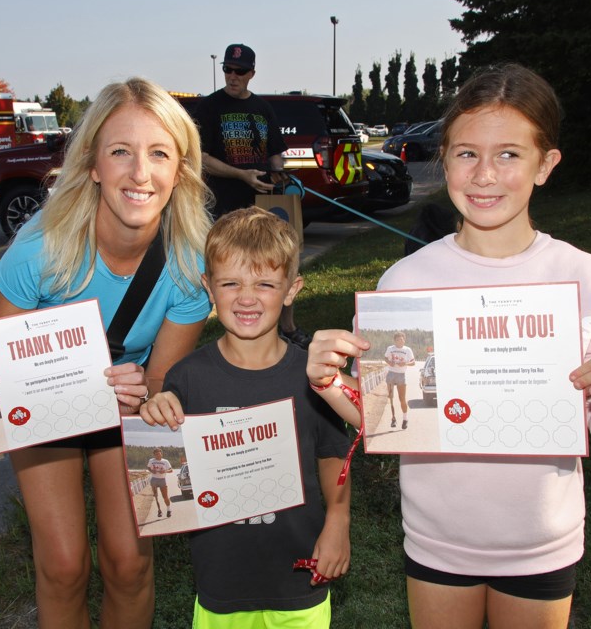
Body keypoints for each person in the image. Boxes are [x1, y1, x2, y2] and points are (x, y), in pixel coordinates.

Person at [305, 64, 591, 629]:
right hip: (437, 540)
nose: (485, 174)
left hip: (541, 544)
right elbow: (390, 422)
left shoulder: (588, 280)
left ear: (546, 165)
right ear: (443, 160)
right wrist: (328, 380)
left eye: (510, 155)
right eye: (467, 154)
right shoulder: (405, 283)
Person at [0, 77, 213, 629]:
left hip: (127, 404)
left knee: (128, 564)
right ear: (93, 164)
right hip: (47, 406)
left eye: (159, 154)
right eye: (120, 151)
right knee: (64, 565)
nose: (140, 173)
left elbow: (163, 380)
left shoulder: (191, 261)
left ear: (180, 170)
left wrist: (146, 390)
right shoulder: (41, 248)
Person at [139, 207, 352, 628]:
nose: (247, 297)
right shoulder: (186, 378)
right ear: (208, 287)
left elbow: (333, 455)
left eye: (266, 284)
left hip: (299, 578)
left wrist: (338, 523)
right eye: (231, 283)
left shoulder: (313, 376)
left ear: (292, 290)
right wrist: (153, 413)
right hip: (221, 582)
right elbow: (161, 450)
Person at [193, 43, 309, 348]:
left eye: (240, 71)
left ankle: (288, 327)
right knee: (228, 271)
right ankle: (228, 333)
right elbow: (199, 157)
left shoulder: (262, 109)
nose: (232, 76)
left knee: (276, 263)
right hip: (223, 205)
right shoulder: (208, 107)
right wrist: (241, 174)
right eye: (228, 70)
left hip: (264, 204)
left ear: (252, 73)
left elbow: (274, 154)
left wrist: (278, 172)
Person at [384, 332, 415, 429]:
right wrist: (389, 362)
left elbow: (413, 362)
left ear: (404, 340)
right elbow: (385, 357)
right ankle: (393, 419)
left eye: (402, 339)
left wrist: (405, 363)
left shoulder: (407, 350)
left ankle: (405, 419)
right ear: (395, 341)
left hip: (401, 375)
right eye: (398, 340)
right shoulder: (390, 348)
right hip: (391, 374)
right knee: (391, 398)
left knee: (402, 399)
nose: (400, 341)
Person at [146, 448, 173, 518]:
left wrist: (165, 471)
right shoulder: (151, 460)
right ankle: (159, 511)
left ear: (161, 454)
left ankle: (169, 510)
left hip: (162, 480)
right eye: (156, 454)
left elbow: (171, 470)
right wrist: (151, 471)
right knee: (156, 496)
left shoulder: (165, 461)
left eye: (159, 454)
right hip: (154, 479)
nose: (157, 455)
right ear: (154, 455)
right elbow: (148, 467)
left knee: (165, 496)